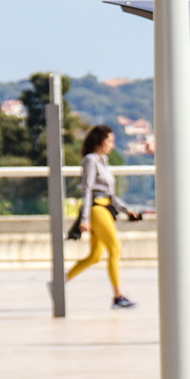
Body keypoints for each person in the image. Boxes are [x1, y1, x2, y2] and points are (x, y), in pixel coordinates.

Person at [65, 124, 145, 309]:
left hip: (106, 207)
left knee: (94, 255)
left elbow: (110, 194)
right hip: (97, 210)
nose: (112, 145)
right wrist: (84, 219)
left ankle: (59, 283)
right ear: (100, 141)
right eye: (110, 141)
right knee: (114, 250)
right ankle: (118, 296)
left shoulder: (103, 161)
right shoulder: (90, 161)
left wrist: (127, 210)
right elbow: (87, 190)